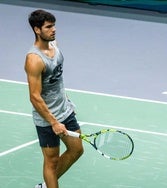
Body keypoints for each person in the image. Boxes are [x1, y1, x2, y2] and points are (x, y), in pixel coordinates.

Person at [24, 9, 84, 188]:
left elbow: (57, 80)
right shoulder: (34, 60)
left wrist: (67, 100)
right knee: (51, 162)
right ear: (37, 30)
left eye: (54, 25)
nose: (54, 29)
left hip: (64, 110)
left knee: (77, 149)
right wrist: (54, 122)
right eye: (48, 27)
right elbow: (34, 97)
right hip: (46, 118)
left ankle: (45, 184)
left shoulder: (54, 46)